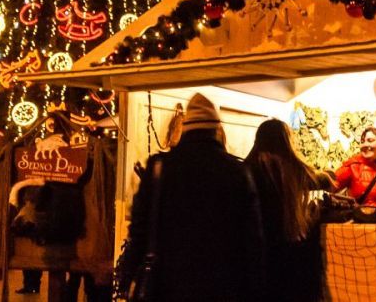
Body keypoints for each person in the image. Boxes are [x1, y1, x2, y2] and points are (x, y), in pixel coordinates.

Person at [120, 92, 264, 301]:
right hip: (223, 287)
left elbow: (139, 230)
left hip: (167, 286)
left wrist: (128, 276)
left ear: (186, 129)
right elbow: (252, 242)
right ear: (216, 130)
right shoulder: (237, 172)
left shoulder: (160, 167)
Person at [245, 118, 332, 302]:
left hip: (258, 249)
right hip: (288, 247)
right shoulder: (293, 168)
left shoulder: (247, 168)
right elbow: (323, 181)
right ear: (286, 140)